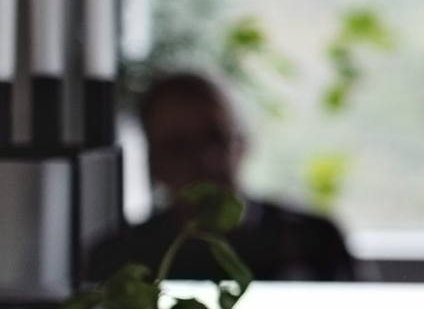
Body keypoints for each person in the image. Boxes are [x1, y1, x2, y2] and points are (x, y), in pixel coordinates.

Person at [85, 71, 357, 283]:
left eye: (216, 138)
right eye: (180, 147)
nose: (206, 161)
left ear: (242, 143)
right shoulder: (120, 260)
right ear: (154, 163)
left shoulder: (315, 239)